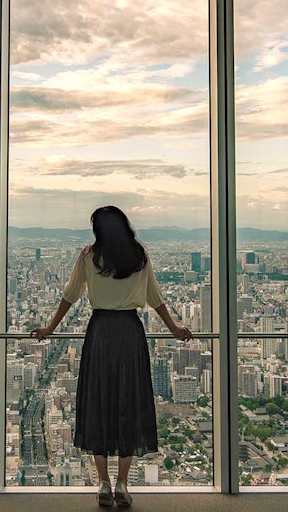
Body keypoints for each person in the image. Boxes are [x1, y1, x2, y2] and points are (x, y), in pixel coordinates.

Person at [31, 205, 194, 507]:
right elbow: (154, 297)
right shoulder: (139, 256)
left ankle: (103, 483)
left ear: (98, 230)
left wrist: (50, 328)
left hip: (101, 332)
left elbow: (70, 295)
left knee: (100, 400)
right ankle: (122, 483)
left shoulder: (89, 256)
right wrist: (173, 328)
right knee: (127, 401)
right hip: (130, 333)